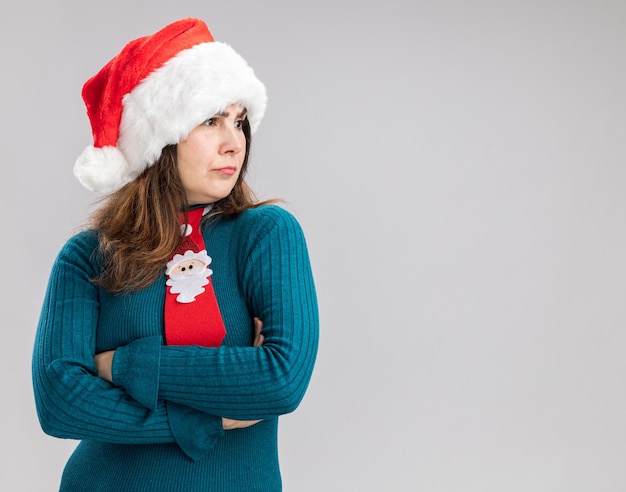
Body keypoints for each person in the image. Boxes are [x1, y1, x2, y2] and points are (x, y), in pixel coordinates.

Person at [32, 18, 319, 492]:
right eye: (210, 120)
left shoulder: (266, 235)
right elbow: (60, 404)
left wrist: (119, 366)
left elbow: (279, 379)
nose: (235, 141)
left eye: (239, 120)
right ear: (159, 139)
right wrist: (206, 419)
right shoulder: (87, 257)